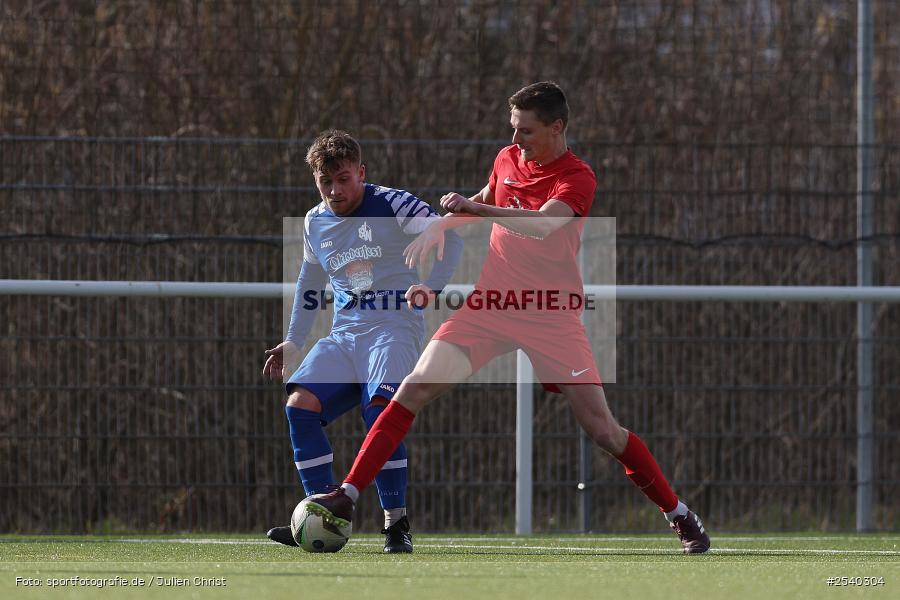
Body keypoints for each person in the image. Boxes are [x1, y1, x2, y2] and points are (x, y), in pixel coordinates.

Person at [304, 82, 711, 554]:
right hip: (490, 306)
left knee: (603, 430)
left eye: (527, 130)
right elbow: (486, 196)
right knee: (414, 386)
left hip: (550, 314)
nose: (517, 140)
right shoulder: (506, 158)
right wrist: (444, 224)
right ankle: (348, 495)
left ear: (557, 127)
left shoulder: (578, 176)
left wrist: (478, 208)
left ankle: (677, 512)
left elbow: (543, 224)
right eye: (513, 129)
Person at [263, 129, 463, 553]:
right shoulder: (314, 221)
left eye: (344, 179)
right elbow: (310, 279)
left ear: (361, 172)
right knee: (300, 406)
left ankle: (396, 523)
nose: (335, 190)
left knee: (380, 415)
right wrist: (294, 341)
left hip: (393, 329)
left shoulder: (393, 204)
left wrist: (432, 286)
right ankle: (322, 513)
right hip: (344, 335)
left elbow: (452, 238)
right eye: (326, 182)